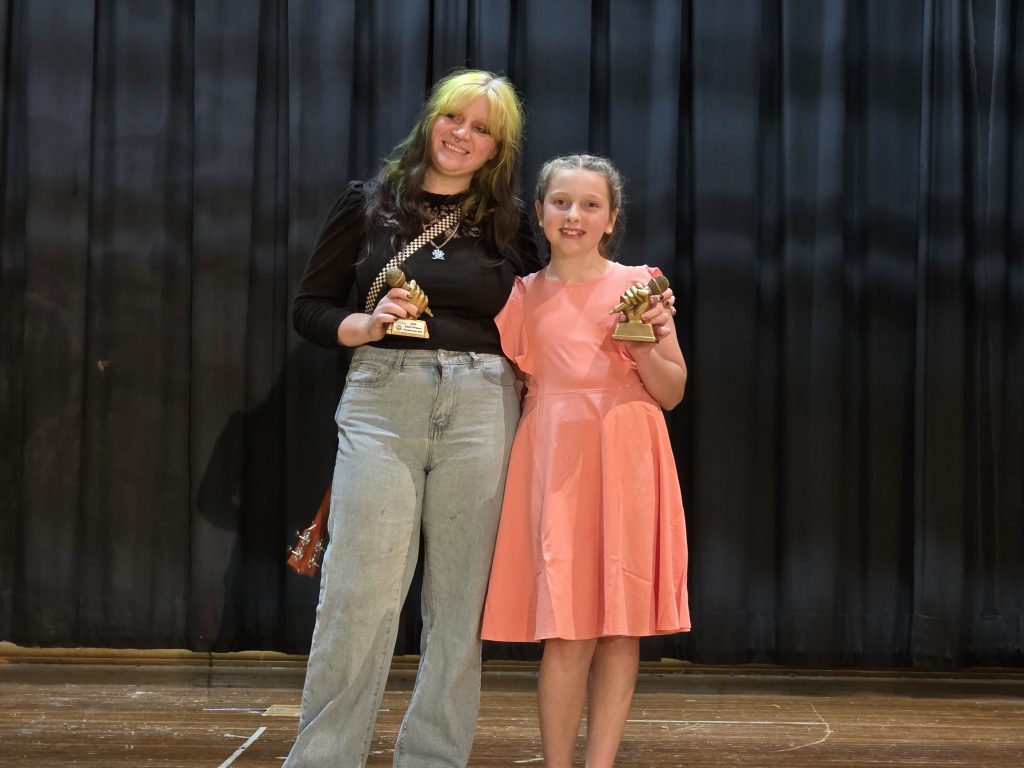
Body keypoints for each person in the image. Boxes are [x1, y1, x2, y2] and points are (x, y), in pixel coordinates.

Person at [285, 70, 541, 768]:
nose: (463, 135)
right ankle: (323, 759)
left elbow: (540, 317)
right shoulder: (368, 203)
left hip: (483, 402)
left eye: (482, 129)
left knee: (460, 602)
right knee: (357, 594)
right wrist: (366, 324)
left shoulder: (511, 222)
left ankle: (433, 758)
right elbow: (309, 309)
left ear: (498, 149)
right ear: (432, 120)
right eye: (454, 118)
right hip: (383, 397)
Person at [480, 154, 690, 767]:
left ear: (611, 218)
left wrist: (642, 343)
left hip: (628, 461)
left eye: (590, 205)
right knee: (567, 632)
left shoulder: (642, 286)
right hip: (557, 465)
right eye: (561, 202)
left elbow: (672, 391)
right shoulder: (520, 297)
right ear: (540, 212)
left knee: (621, 630)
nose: (574, 215)